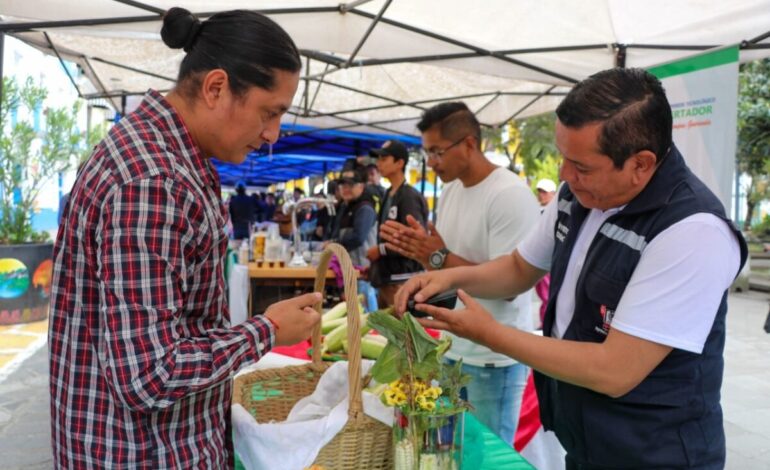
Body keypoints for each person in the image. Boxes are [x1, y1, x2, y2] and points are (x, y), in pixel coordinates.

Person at [395, 68, 747, 469]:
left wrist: (490, 333)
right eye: (564, 159)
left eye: (581, 166)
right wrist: (449, 275)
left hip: (654, 452)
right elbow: (518, 267)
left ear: (641, 164)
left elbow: (616, 369)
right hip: (587, 441)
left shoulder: (693, 232)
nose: (564, 175)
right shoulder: (578, 196)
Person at [49, 8, 322, 468]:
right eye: (269, 113)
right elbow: (149, 374)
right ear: (216, 88)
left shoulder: (168, 157)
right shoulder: (152, 179)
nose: (272, 135)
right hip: (141, 452)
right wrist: (267, 330)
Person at [381, 102, 540, 443]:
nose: (432, 163)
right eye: (427, 153)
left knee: (486, 458)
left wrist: (437, 258)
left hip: (493, 358)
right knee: (452, 453)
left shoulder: (509, 195)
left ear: (469, 143)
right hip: (452, 349)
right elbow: (444, 264)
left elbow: (510, 285)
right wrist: (425, 255)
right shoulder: (451, 189)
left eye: (437, 152)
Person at [366, 140, 429, 307]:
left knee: (402, 331)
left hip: (403, 281)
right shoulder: (388, 193)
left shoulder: (408, 196)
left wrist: (380, 250)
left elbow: (413, 239)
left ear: (400, 163)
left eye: (384, 159)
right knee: (384, 332)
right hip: (388, 278)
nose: (379, 163)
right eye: (378, 159)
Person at [327, 161, 379, 311]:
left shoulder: (365, 208)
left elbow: (358, 238)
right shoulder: (345, 207)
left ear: (361, 186)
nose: (345, 189)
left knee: (364, 320)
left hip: (361, 274)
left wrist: (333, 244)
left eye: (351, 185)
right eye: (342, 185)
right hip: (349, 273)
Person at [534, 178, 557, 328]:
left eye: (544, 192)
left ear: (553, 194)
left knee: (548, 296)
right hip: (538, 259)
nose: (541, 195)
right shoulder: (538, 210)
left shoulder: (556, 212)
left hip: (551, 261)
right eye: (540, 191)